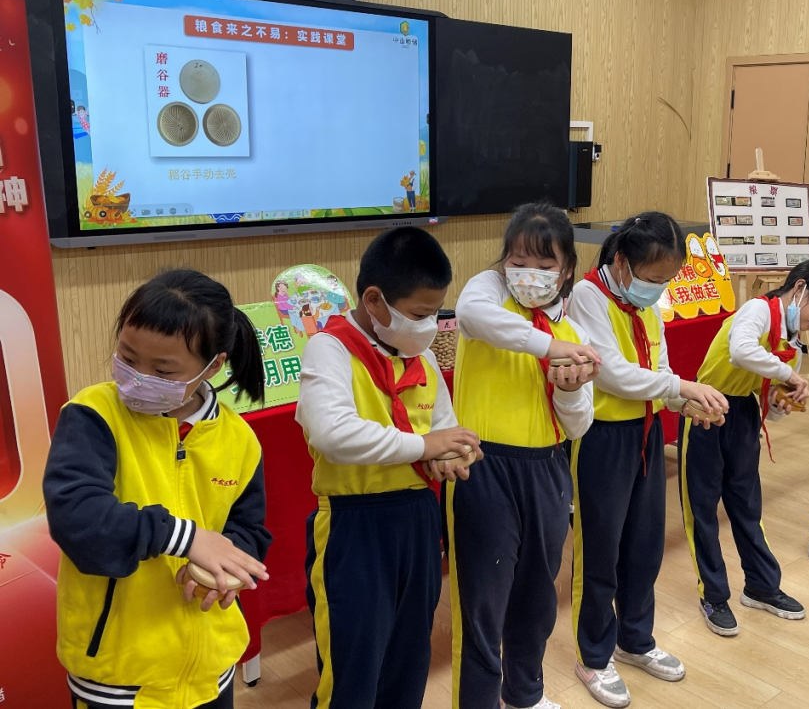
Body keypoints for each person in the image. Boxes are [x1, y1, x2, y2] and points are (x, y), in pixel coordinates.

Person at [44, 269, 272, 709]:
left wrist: (224, 572)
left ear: (213, 366)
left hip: (211, 665)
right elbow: (78, 519)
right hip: (119, 675)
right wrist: (188, 539)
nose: (137, 377)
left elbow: (249, 531)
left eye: (162, 370)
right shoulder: (92, 415)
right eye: (127, 358)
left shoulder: (239, 440)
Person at [296, 226, 483, 709]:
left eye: (435, 313)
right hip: (354, 525)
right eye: (420, 315)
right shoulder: (329, 347)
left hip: (418, 519)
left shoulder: (421, 358)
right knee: (352, 671)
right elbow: (332, 434)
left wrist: (451, 456)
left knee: (408, 660)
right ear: (375, 300)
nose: (429, 326)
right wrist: (425, 446)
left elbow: (443, 429)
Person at [565, 212, 728, 707]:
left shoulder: (646, 306)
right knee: (600, 551)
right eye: (653, 278)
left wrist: (684, 402)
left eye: (666, 280)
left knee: (645, 544)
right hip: (602, 436)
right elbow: (612, 374)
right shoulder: (588, 296)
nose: (658, 289)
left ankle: (635, 639)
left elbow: (658, 369)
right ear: (621, 262)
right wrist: (682, 387)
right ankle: (593, 656)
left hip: (647, 430)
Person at [447, 202, 602, 709]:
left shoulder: (574, 334)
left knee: (536, 597)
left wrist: (569, 391)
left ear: (567, 270)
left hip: (548, 470)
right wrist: (548, 348)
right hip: (483, 467)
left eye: (544, 264)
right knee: (482, 603)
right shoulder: (488, 299)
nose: (528, 274)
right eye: (518, 262)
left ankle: (525, 694)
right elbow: (471, 315)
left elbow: (579, 425)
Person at [682, 259, 809, 637]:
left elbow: (771, 407)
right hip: (705, 408)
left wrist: (779, 403)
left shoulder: (792, 346)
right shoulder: (758, 310)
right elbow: (741, 351)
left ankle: (761, 585)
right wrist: (787, 374)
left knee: (747, 505)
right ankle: (713, 595)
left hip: (742, 414)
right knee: (702, 510)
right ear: (800, 288)